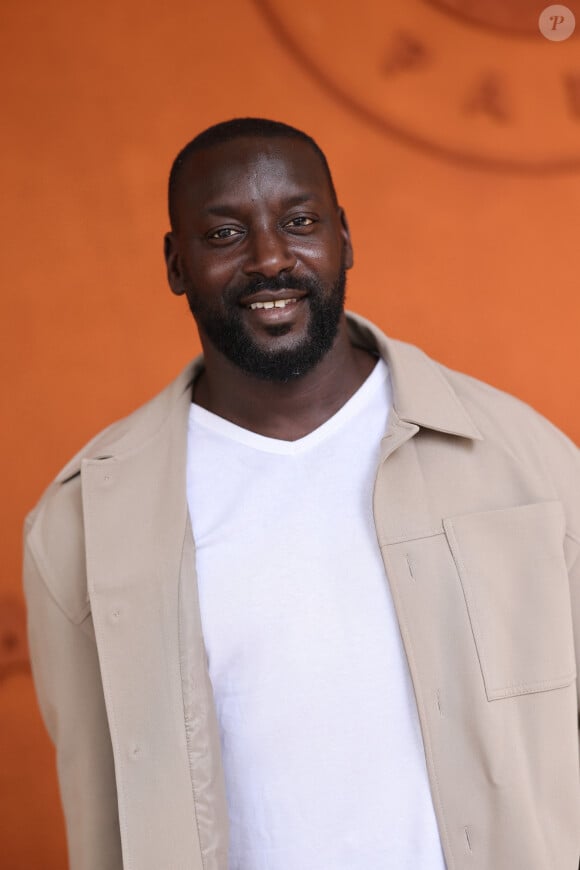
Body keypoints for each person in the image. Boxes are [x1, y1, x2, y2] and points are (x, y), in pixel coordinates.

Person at [23, 118, 580, 870]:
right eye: (224, 234)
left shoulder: (528, 463)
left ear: (344, 239)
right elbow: (98, 818)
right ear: (175, 263)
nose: (271, 258)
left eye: (300, 222)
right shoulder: (82, 521)